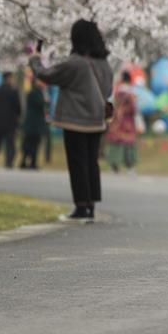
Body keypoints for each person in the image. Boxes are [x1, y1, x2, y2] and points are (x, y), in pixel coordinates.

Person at [30, 20, 113, 223]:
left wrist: (35, 59)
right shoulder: (104, 64)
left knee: (77, 162)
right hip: (96, 120)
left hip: (75, 120)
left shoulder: (75, 63)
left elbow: (46, 75)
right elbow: (109, 90)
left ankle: (81, 206)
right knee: (91, 162)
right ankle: (91, 205)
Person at [105, 71, 138, 174]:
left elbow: (112, 105)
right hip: (128, 122)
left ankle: (114, 166)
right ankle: (130, 167)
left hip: (117, 121)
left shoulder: (117, 91)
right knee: (129, 144)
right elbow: (134, 109)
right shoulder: (132, 93)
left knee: (115, 143)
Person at [0, 72, 21, 169]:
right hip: (10, 123)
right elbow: (18, 108)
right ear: (8, 79)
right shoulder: (13, 92)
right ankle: (9, 162)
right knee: (10, 144)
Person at [20, 77, 48, 170]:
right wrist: (46, 99)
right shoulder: (34, 93)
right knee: (29, 144)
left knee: (33, 144)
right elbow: (41, 104)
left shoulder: (38, 93)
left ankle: (32, 162)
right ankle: (26, 162)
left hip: (35, 125)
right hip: (33, 124)